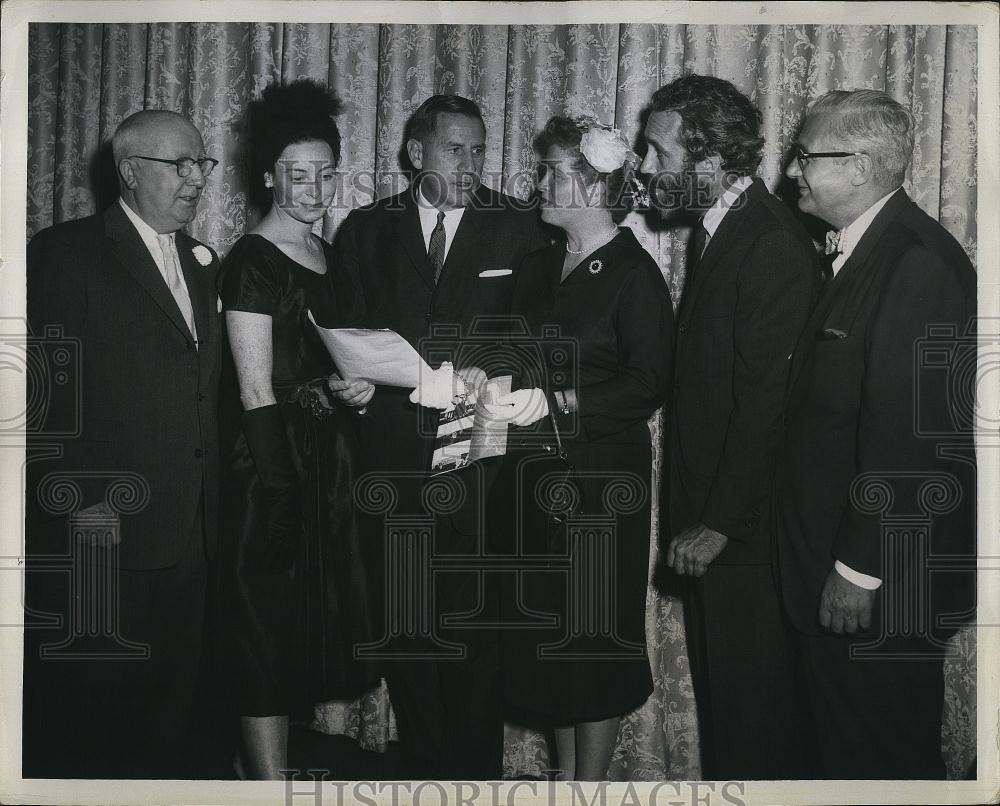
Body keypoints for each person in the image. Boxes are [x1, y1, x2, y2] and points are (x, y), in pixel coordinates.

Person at [332, 93, 549, 780]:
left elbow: (539, 332)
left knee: (476, 625)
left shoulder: (521, 226)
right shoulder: (364, 231)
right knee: (407, 622)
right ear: (415, 153)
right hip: (392, 456)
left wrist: (494, 372)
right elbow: (347, 332)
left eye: (481, 149)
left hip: (482, 462)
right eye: (457, 148)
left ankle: (475, 777)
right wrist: (352, 385)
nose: (472, 162)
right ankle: (424, 770)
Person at [777, 89, 976, 779]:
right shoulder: (863, 250)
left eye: (805, 156)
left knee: (879, 764)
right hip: (849, 569)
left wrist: (859, 570)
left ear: (858, 166)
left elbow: (909, 439)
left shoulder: (914, 261)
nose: (793, 171)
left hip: (882, 583)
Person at [23, 110, 221, 778]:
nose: (196, 179)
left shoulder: (203, 261)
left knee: (172, 719)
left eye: (202, 164)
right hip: (104, 538)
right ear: (130, 172)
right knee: (94, 728)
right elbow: (45, 409)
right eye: (180, 165)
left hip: (190, 534)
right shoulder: (66, 253)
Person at [640, 74, 822, 779]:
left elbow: (766, 407)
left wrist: (717, 521)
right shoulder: (721, 232)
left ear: (711, 164)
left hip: (746, 539)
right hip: (726, 532)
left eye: (657, 154)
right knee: (736, 726)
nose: (644, 168)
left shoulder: (769, 244)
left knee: (755, 735)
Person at [482, 115, 673, 781]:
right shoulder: (536, 265)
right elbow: (506, 348)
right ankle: (563, 784)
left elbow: (649, 382)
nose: (536, 184)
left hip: (596, 487)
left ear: (590, 186)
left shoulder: (633, 275)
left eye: (550, 172)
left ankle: (584, 789)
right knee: (547, 643)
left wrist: (559, 406)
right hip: (528, 480)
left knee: (589, 644)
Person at [214, 79, 377, 780]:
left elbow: (338, 364)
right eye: (297, 174)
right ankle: (267, 791)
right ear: (269, 177)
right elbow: (254, 390)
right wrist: (280, 496)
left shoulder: (333, 258)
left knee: (302, 630)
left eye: (324, 173)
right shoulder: (251, 260)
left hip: (329, 468)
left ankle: (267, 776)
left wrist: (358, 392)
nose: (313, 188)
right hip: (270, 470)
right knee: (262, 634)